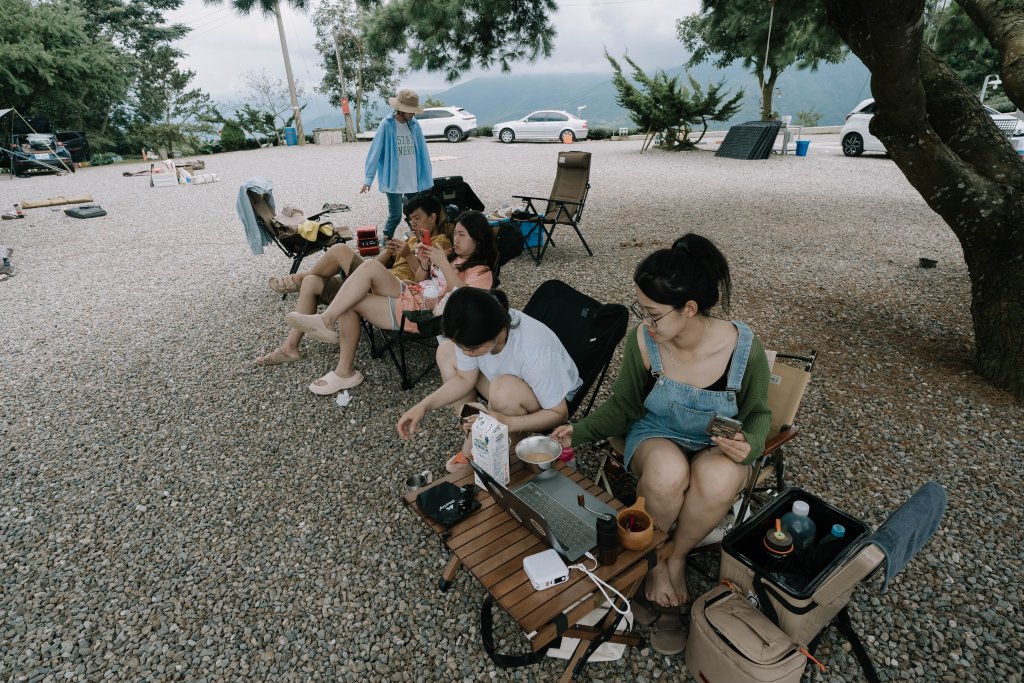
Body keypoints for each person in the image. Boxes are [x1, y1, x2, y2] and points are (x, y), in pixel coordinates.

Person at [551, 234, 771, 609]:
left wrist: (751, 442)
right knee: (668, 475)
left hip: (716, 442)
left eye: (653, 313)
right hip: (657, 432)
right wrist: (578, 431)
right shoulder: (644, 341)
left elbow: (758, 413)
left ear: (688, 308)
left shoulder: (743, 347)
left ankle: (675, 554)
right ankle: (653, 558)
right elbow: (623, 407)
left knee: (719, 479)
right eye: (641, 310)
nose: (645, 321)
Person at [285, 210, 498, 395]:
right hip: (411, 292)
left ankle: (343, 368)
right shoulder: (454, 257)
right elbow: (423, 281)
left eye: (462, 235)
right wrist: (425, 264)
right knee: (371, 267)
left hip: (419, 312)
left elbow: (470, 302)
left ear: (477, 239)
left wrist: (443, 263)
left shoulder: (481, 271)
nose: (456, 239)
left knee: (353, 299)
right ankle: (327, 324)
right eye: (456, 234)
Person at [397, 287, 583, 473]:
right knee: (446, 352)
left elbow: (559, 413)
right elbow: (464, 378)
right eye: (462, 346)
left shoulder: (534, 349)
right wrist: (423, 406)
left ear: (499, 330)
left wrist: (507, 421)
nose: (466, 353)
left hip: (548, 403)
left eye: (472, 348)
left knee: (503, 390)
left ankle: (499, 451)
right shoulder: (476, 329)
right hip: (503, 383)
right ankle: (476, 437)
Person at [255, 195, 453, 366]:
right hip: (370, 283)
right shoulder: (411, 239)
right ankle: (290, 347)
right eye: (410, 220)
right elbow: (374, 265)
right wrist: (389, 253)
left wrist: (409, 256)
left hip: (392, 293)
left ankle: (298, 278)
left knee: (340, 250)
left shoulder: (440, 243)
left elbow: (427, 281)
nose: (413, 224)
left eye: (417, 218)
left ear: (433, 217)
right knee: (312, 282)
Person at [361, 88, 434, 240]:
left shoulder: (414, 124)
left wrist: (427, 176)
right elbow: (375, 151)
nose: (413, 114)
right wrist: (368, 179)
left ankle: (419, 240)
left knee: (416, 214)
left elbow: (423, 151)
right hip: (394, 180)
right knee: (395, 215)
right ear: (401, 109)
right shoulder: (386, 125)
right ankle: (386, 240)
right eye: (410, 111)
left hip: (413, 178)